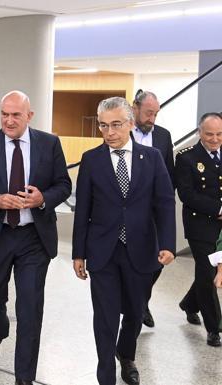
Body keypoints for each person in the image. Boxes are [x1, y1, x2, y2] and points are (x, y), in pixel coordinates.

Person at [0, 90, 71, 385]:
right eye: (4, 114)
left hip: (34, 237)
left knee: (30, 310)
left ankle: (24, 379)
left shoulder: (49, 144)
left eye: (16, 115)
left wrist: (43, 198)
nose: (9, 121)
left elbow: (64, 184)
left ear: (29, 116)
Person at [73, 96, 175, 385]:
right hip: (103, 251)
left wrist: (167, 244)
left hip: (142, 249)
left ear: (131, 123)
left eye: (116, 124)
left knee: (134, 312)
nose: (109, 132)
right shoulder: (92, 160)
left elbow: (165, 203)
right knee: (105, 316)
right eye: (103, 126)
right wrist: (78, 253)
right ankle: (105, 373)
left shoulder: (152, 158)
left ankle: (126, 356)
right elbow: (84, 209)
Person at [175, 112, 222, 348]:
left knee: (207, 272)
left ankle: (190, 304)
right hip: (200, 225)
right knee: (208, 272)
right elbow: (187, 194)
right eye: (209, 134)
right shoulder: (186, 157)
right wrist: (219, 208)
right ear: (199, 133)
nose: (215, 139)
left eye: (219, 134)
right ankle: (214, 328)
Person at [131, 90, 175, 327]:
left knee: (157, 262)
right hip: (127, 210)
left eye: (156, 114)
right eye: (148, 113)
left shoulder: (164, 136)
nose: (152, 119)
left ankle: (141, 300)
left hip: (154, 211)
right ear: (135, 108)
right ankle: (135, 305)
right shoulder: (120, 132)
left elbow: (169, 173)